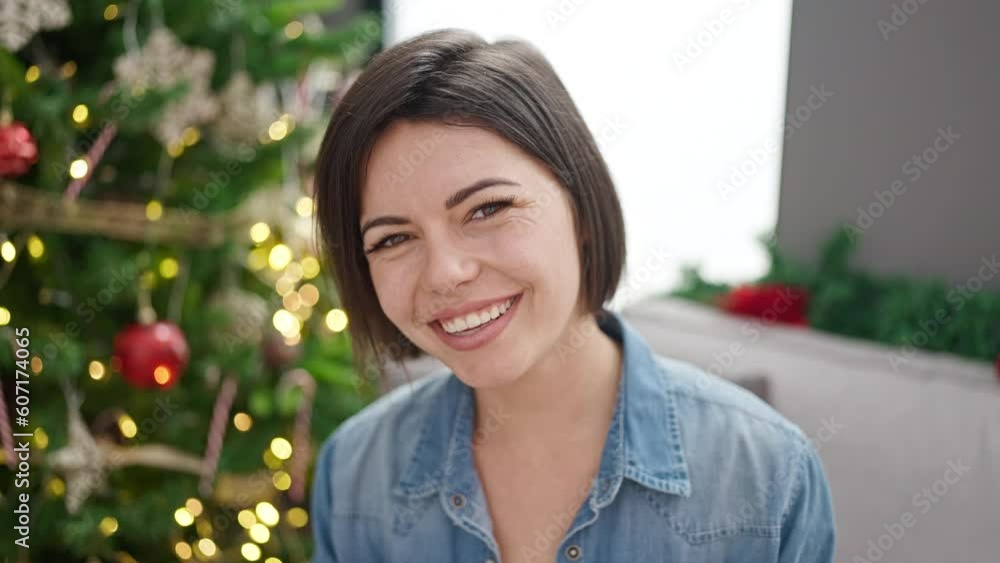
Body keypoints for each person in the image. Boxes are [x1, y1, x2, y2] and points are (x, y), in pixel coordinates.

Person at [309, 28, 835, 563]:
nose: (445, 273)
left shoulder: (766, 475)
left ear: (580, 207)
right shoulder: (354, 475)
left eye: (487, 209)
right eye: (393, 238)